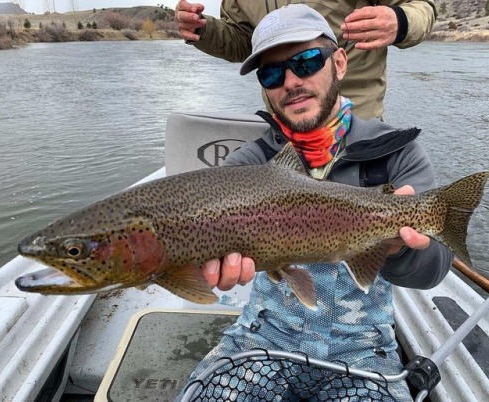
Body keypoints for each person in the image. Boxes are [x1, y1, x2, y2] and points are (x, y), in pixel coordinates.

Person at [177, 5, 452, 400]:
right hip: (262, 341)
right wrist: (198, 264)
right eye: (272, 73)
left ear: (339, 62)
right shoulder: (248, 165)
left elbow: (434, 270)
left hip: (364, 353)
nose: (290, 81)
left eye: (306, 62)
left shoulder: (397, 154)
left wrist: (396, 249)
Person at [174, 0, 437, 120]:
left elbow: (422, 8)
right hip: (287, 121)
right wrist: (203, 30)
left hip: (357, 121)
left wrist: (400, 21)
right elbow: (245, 42)